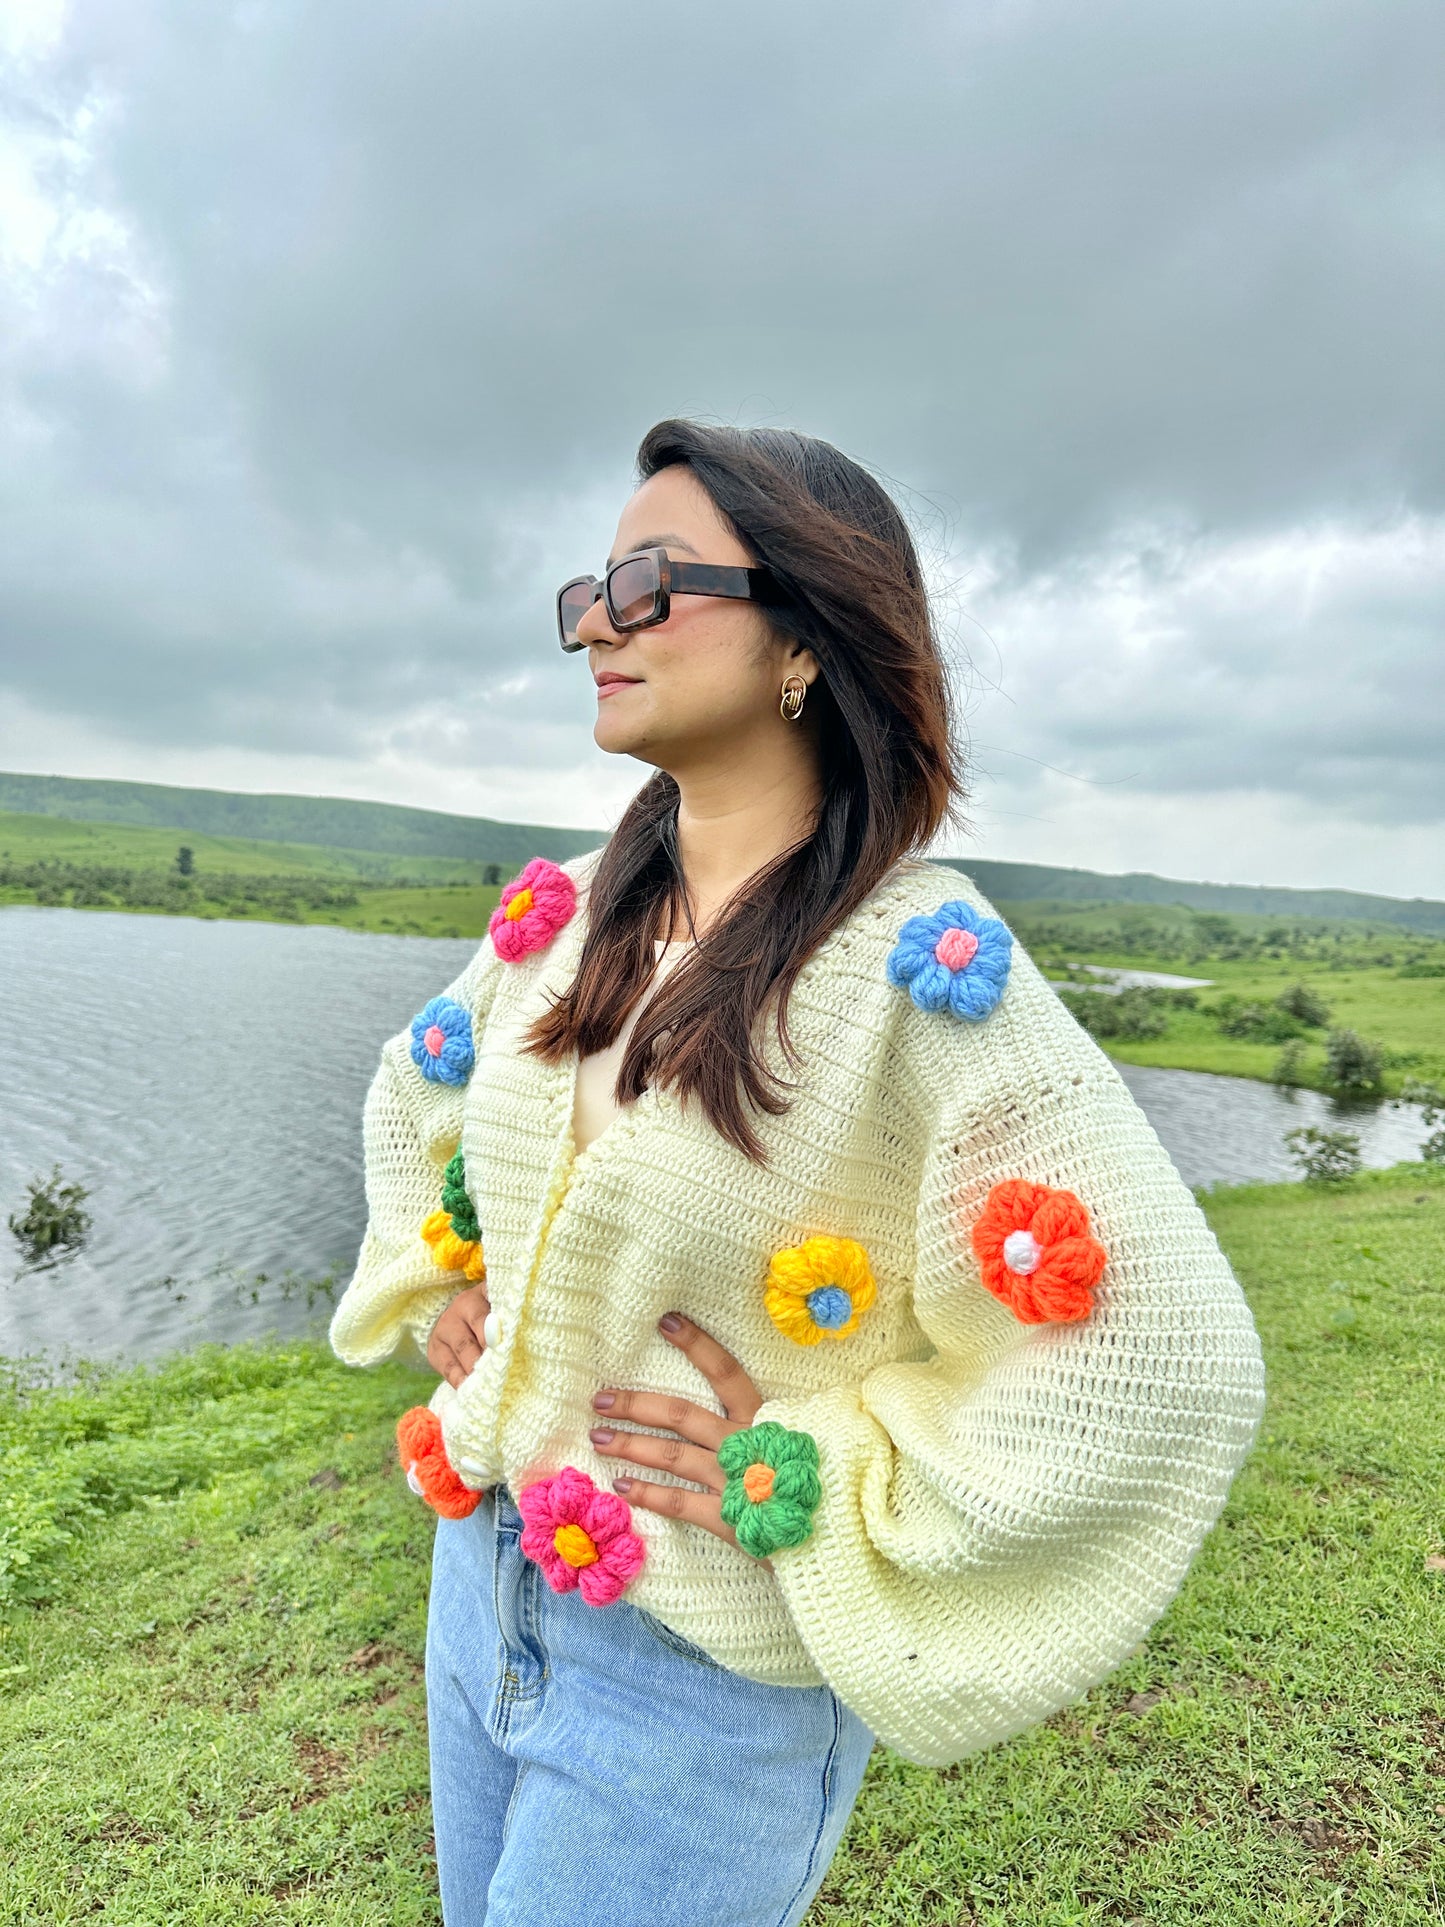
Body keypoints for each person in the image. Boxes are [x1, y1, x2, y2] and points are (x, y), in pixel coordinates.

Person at [329, 419, 1267, 1927]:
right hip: (481, 1582)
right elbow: (418, 1095)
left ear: (804, 638)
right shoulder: (566, 916)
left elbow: (1166, 1362)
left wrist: (823, 1468)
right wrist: (447, 1274)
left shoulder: (918, 971)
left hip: (700, 1676)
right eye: (588, 588)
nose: (596, 623)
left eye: (648, 581)